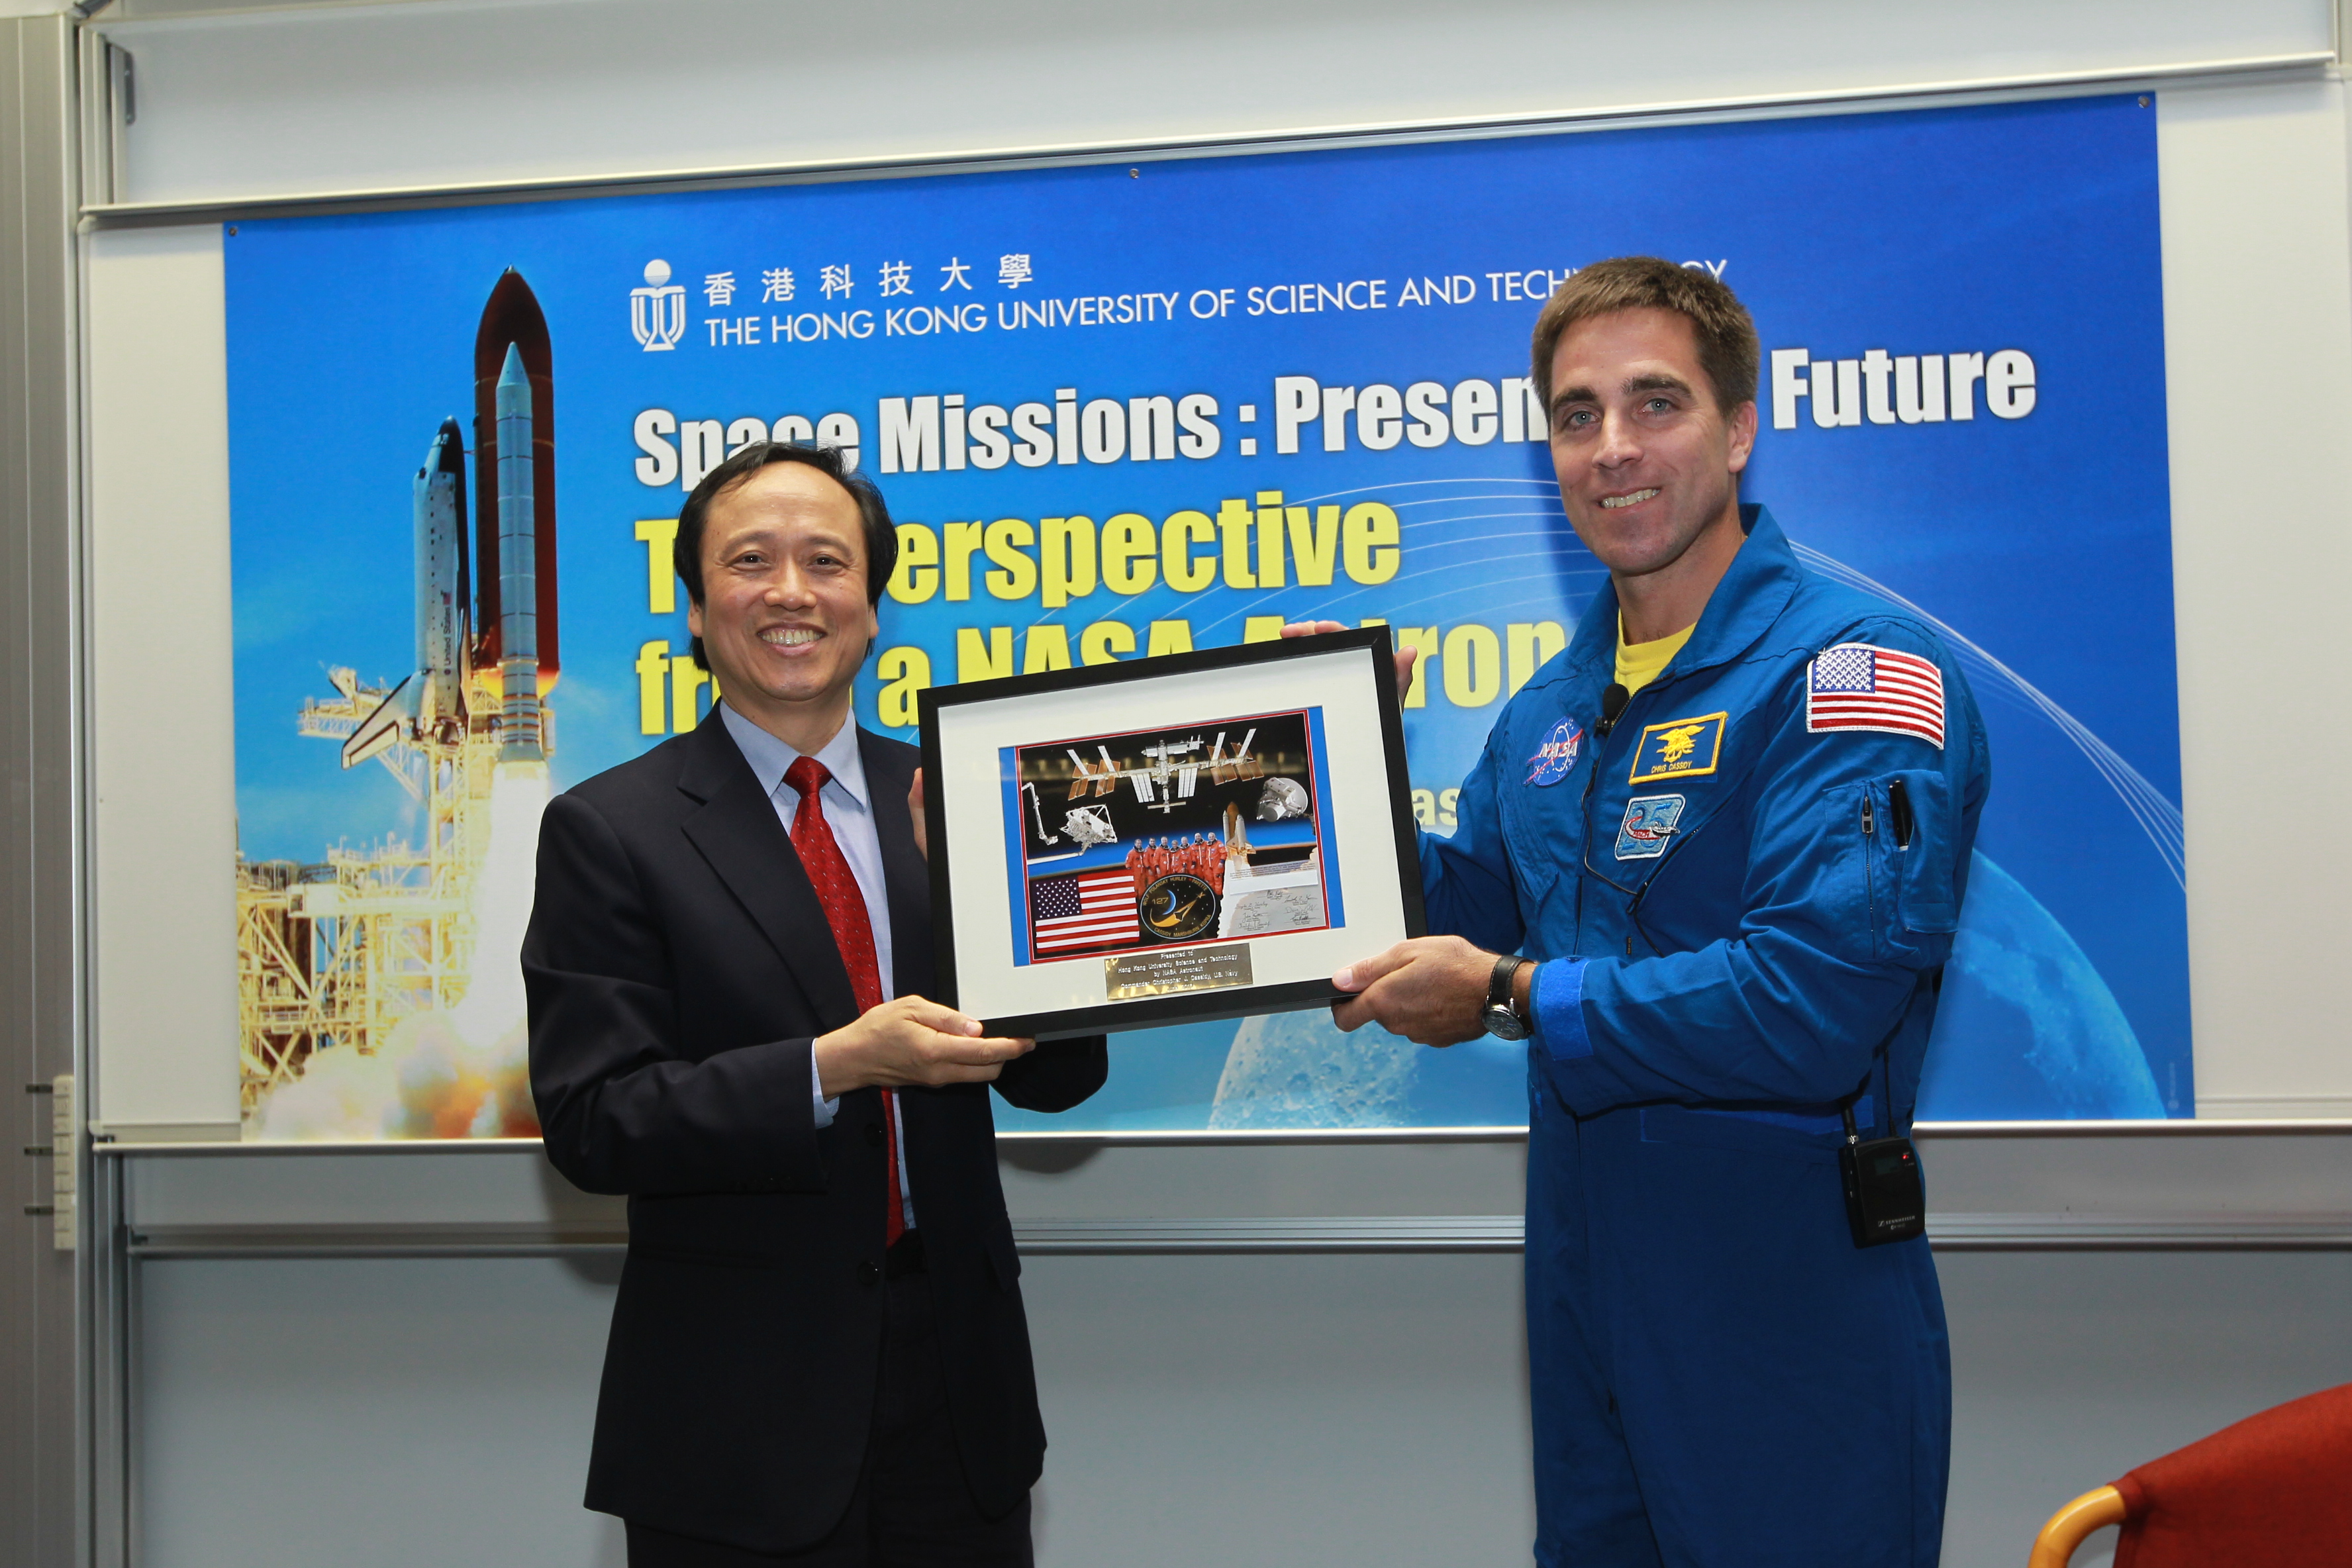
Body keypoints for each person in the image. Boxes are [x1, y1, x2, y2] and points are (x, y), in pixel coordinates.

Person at [1305, 257, 1989, 1565]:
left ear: (1739, 427)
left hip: (1787, 1309)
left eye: (1655, 403)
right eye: (1575, 415)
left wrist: (1508, 997)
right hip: (1586, 1298)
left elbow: (1805, 1009)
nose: (1611, 448)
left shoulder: (1853, 671)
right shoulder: (1552, 710)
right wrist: (1338, 770)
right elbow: (1471, 910)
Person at [524, 441, 1107, 1567]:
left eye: (826, 563)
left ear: (872, 607)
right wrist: (833, 1066)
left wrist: (1013, 916)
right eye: (751, 561)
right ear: (696, 610)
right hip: (735, 1412)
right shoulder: (611, 830)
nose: (791, 592)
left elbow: (1061, 1072)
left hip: (957, 1391)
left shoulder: (954, 795)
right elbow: (595, 1120)